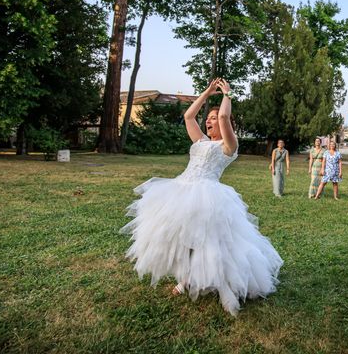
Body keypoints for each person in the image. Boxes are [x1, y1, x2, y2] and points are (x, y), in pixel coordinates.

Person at [120, 78, 282, 316]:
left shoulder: (229, 145)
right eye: (209, 118)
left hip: (208, 196)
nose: (209, 120)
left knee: (212, 243)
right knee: (182, 239)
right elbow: (188, 116)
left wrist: (227, 95)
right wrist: (206, 93)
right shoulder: (201, 141)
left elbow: (226, 118)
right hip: (180, 189)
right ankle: (185, 279)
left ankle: (226, 288)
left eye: (213, 118)